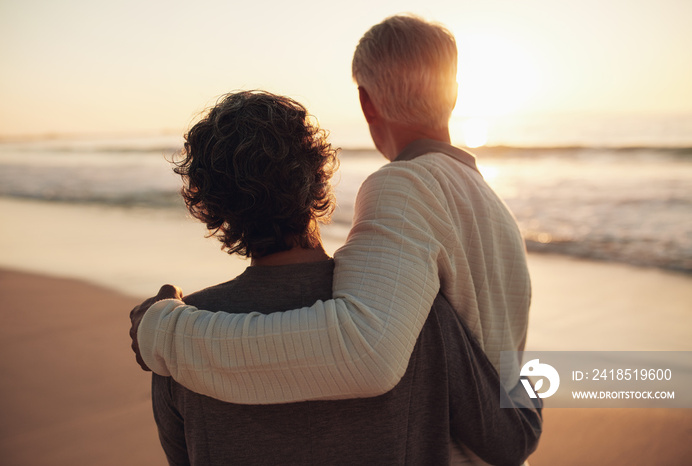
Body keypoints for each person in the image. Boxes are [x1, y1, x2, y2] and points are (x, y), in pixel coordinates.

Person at [131, 14, 538, 463]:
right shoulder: (501, 217)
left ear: (366, 103)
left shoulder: (405, 188)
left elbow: (364, 352)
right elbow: (500, 384)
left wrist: (164, 331)